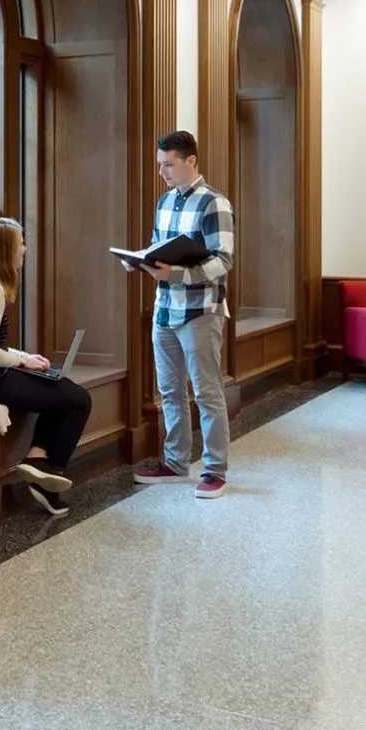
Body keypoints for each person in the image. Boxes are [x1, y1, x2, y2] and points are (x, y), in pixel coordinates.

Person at [132, 131, 237, 499]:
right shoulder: (164, 201)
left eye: (169, 164)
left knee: (207, 393)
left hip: (200, 312)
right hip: (165, 310)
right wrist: (142, 261)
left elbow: (222, 261)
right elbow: (161, 248)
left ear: (191, 161)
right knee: (170, 392)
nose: (162, 171)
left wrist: (176, 274)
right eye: (160, 164)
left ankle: (214, 470)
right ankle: (176, 463)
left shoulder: (214, 204)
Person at [0, 216, 93, 516]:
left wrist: (26, 357)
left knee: (60, 390)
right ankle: (51, 474)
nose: (25, 249)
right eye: (21, 243)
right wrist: (22, 359)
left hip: (2, 370)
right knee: (77, 399)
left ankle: (38, 460)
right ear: (6, 248)